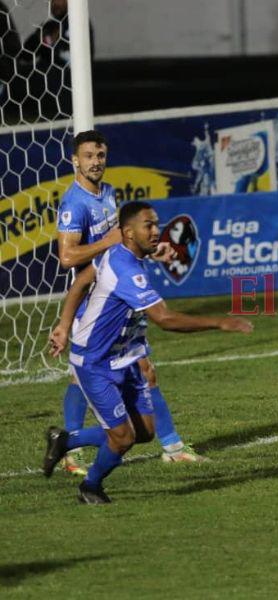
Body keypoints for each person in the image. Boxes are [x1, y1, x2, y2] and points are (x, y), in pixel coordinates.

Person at [44, 201, 253, 504]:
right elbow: (165, 319)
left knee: (143, 432)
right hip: (94, 362)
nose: (157, 232)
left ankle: (65, 440)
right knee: (124, 437)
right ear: (128, 232)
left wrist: (64, 325)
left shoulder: (117, 255)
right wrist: (219, 321)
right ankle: (90, 487)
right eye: (149, 226)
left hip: (124, 358)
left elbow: (81, 282)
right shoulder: (126, 268)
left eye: (157, 224)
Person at [56, 130, 207, 475]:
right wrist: (108, 242)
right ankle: (72, 450)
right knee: (102, 376)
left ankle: (170, 445)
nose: (96, 162)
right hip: (94, 305)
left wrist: (151, 251)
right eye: (89, 156)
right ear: (74, 161)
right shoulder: (74, 203)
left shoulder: (107, 194)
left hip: (116, 297)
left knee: (143, 371)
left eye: (100, 155)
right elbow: (67, 257)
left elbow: (118, 248)